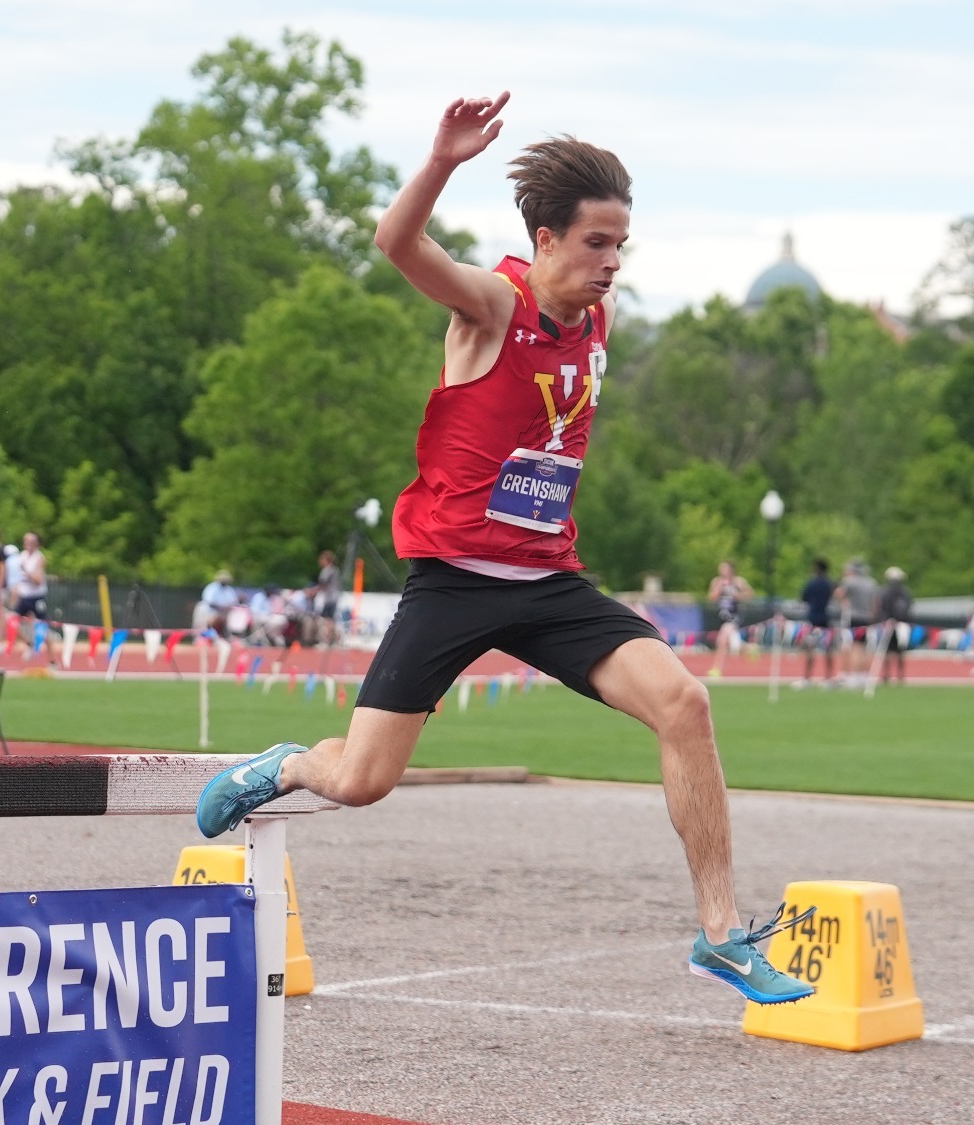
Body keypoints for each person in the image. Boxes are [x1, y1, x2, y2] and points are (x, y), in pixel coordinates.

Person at [196, 94, 813, 1006]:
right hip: (454, 581)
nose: (611, 263)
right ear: (546, 238)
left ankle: (720, 935)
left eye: (621, 246)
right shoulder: (493, 305)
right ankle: (284, 765)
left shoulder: (596, 324)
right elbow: (398, 246)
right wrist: (443, 161)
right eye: (596, 243)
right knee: (361, 781)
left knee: (685, 701)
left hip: (550, 581)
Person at [706, 561, 753, 677]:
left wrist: (738, 595)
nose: (722, 571)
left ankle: (717, 669)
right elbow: (711, 597)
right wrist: (718, 590)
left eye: (724, 569)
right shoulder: (717, 582)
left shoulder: (738, 582)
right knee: (733, 644)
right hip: (722, 616)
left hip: (735, 616)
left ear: (731, 570)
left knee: (721, 640)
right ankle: (750, 648)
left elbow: (750, 594)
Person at [797, 557, 837, 689]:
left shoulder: (811, 584)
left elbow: (803, 599)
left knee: (810, 648)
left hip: (812, 619)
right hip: (826, 619)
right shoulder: (830, 584)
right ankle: (828, 677)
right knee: (828, 649)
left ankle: (807, 678)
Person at [838, 560, 879, 685]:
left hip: (854, 616)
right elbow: (876, 602)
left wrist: (845, 603)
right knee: (864, 647)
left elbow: (839, 593)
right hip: (867, 617)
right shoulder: (871, 582)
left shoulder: (850, 581)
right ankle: (863, 674)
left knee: (854, 646)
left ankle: (855, 675)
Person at [875, 566, 914, 685]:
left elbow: (881, 607)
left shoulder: (884, 591)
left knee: (886, 649)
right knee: (900, 650)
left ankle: (886, 675)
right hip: (902, 623)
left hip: (888, 623)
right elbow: (909, 607)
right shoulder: (906, 592)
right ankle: (900, 675)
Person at [311, 550, 342, 646]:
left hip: (329, 598)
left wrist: (312, 592)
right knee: (331, 620)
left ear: (325, 560)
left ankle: (327, 640)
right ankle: (335, 640)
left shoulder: (327, 570)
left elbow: (322, 584)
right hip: (335, 596)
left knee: (326, 620)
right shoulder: (336, 570)